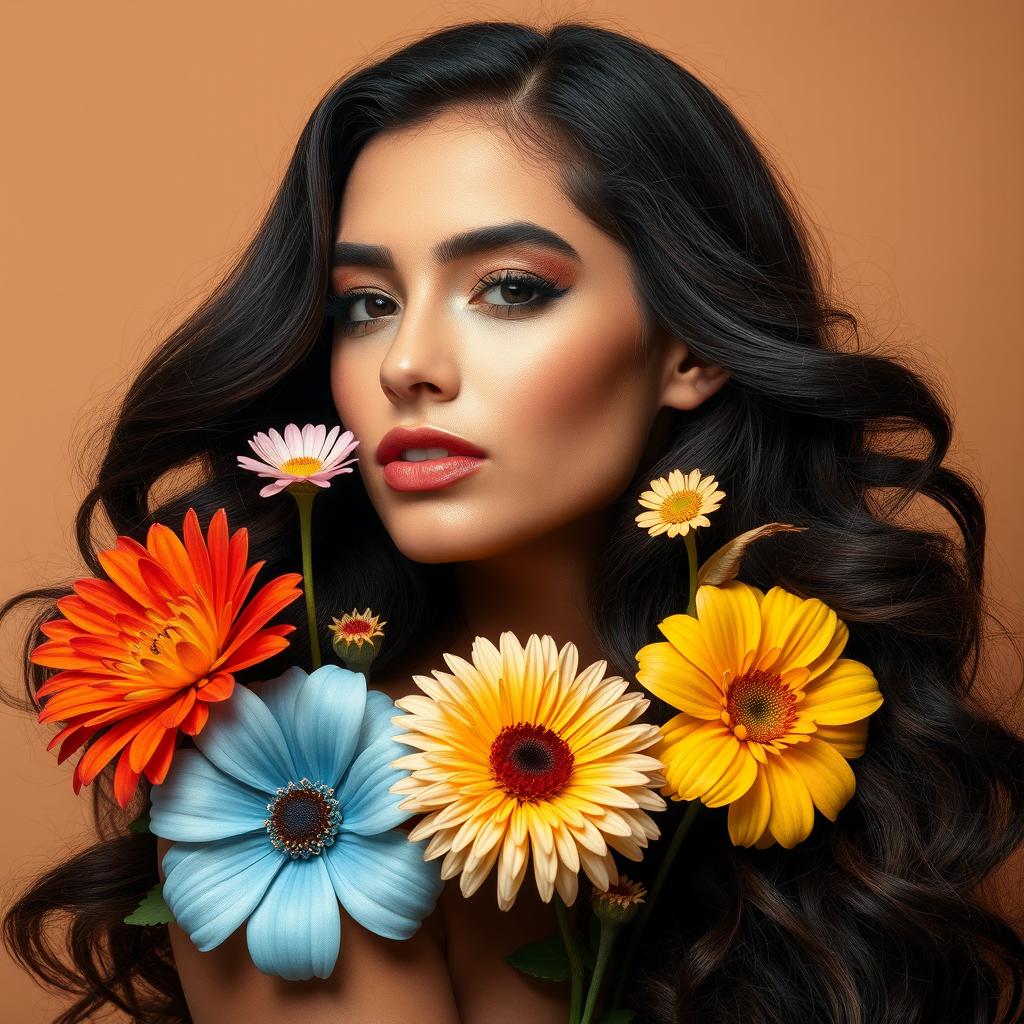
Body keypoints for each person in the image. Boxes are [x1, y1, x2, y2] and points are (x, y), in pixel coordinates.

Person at [3, 18, 1023, 1024]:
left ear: (689, 347)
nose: (406, 363)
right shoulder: (293, 809)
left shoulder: (792, 727)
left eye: (507, 289)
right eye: (365, 303)